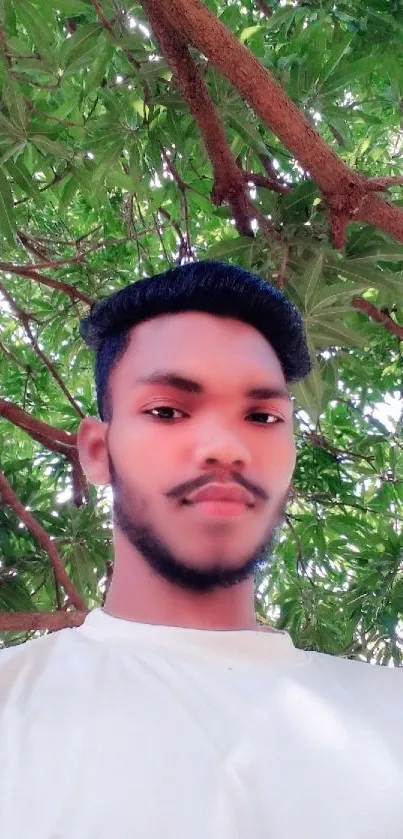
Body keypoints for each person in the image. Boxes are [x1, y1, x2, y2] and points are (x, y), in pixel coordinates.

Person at [0, 260, 402, 839]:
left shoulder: (390, 713)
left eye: (262, 416)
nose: (225, 446)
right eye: (167, 411)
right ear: (96, 451)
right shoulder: (14, 706)